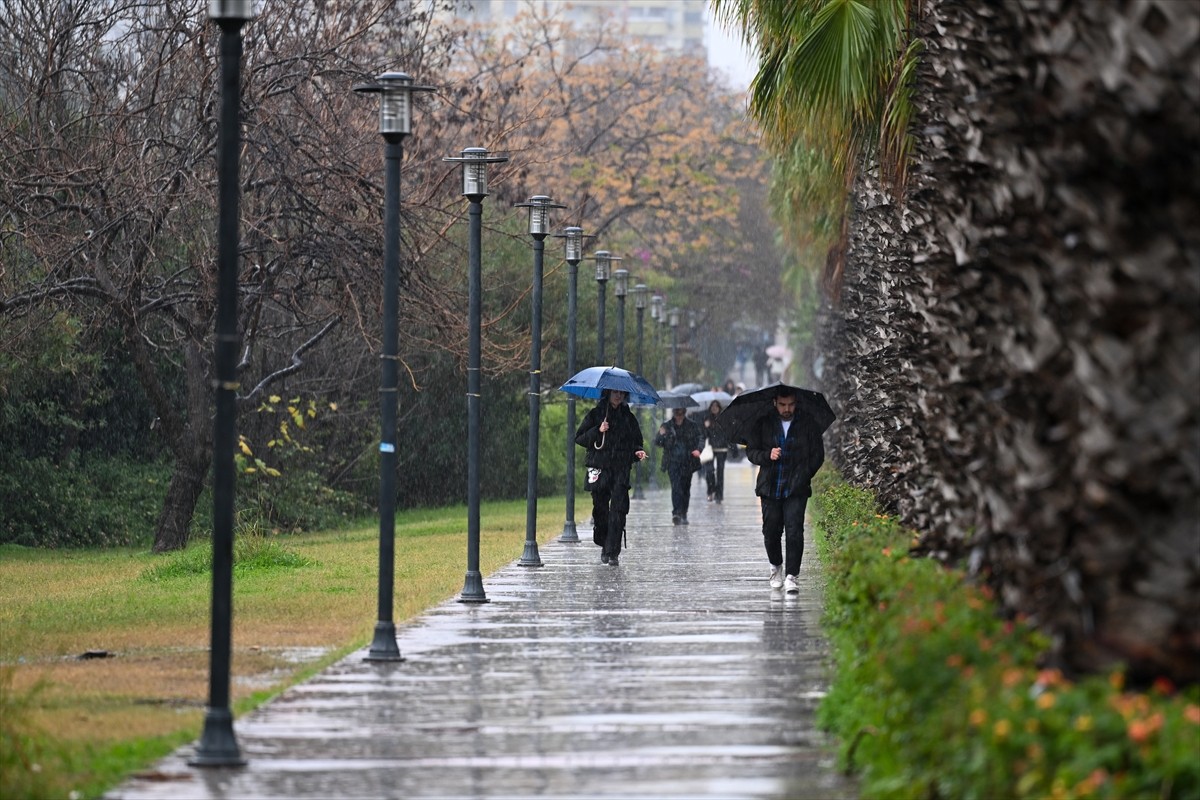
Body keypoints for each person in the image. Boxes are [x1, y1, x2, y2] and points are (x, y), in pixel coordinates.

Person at [743, 386, 825, 594]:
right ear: (775, 403)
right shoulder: (763, 423)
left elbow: (818, 455)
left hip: (796, 487)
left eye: (790, 404)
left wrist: (804, 473)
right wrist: (767, 455)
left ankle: (792, 575)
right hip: (770, 485)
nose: (787, 409)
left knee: (794, 530)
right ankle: (776, 566)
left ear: (796, 402)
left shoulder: (807, 423)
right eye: (782, 405)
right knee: (771, 531)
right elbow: (751, 452)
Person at [575, 389, 647, 566]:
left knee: (618, 509)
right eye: (615, 392)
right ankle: (604, 542)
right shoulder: (596, 414)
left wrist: (637, 451)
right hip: (599, 467)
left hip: (621, 468)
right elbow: (580, 438)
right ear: (607, 393)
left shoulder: (629, 418)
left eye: (622, 393)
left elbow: (636, 441)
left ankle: (612, 551)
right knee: (600, 508)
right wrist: (598, 430)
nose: (618, 396)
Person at [655, 406, 704, 525]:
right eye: (677, 412)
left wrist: (698, 449)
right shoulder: (666, 425)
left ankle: (684, 513)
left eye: (681, 412)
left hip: (688, 461)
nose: (679, 415)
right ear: (673, 412)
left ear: (685, 412)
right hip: (673, 462)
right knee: (676, 487)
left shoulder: (692, 425)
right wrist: (661, 435)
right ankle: (676, 513)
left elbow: (700, 438)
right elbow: (658, 442)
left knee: (685, 488)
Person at [701, 400, 730, 503]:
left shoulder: (724, 419)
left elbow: (728, 433)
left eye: (716, 406)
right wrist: (706, 427)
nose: (714, 408)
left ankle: (719, 495)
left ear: (719, 407)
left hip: (722, 449)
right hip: (710, 449)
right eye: (712, 406)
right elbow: (703, 435)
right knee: (709, 472)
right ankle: (710, 490)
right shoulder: (707, 419)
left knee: (720, 472)